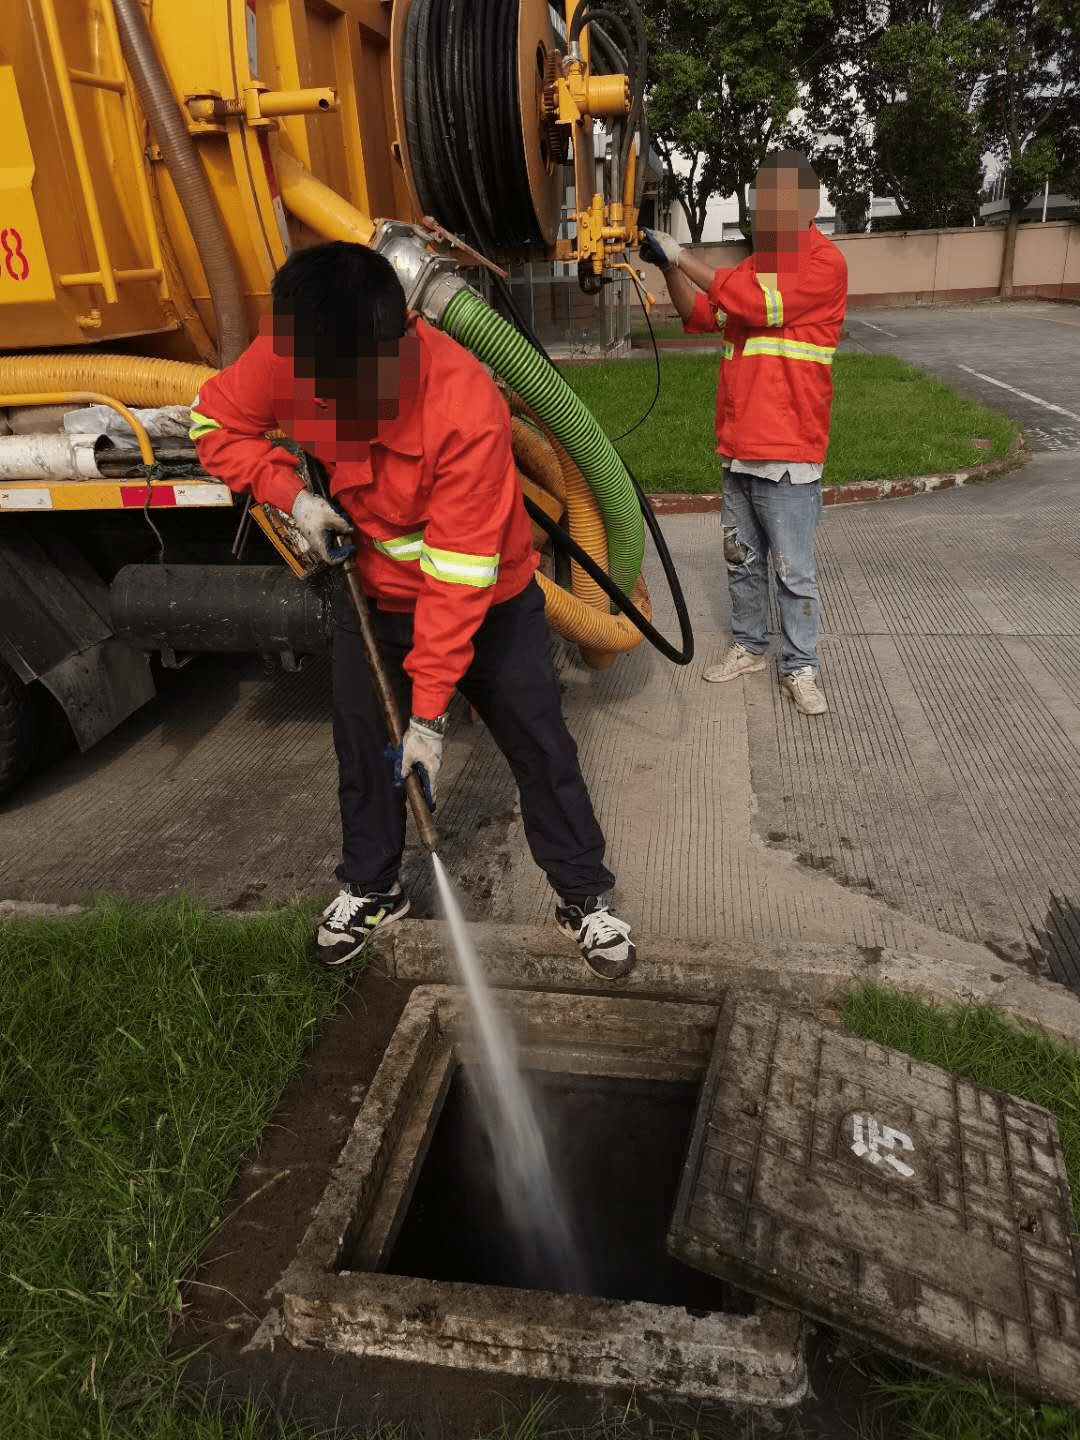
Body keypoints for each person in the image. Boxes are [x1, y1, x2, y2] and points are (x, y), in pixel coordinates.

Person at [189, 241, 635, 979]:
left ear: (391, 347)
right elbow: (212, 424)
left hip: (488, 606)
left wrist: (429, 716)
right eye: (314, 390)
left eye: (342, 392)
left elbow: (457, 582)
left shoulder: (464, 409)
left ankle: (583, 896)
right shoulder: (295, 358)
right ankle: (373, 887)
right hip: (373, 598)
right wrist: (291, 494)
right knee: (363, 749)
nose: (325, 405)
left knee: (540, 746)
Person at [641, 149, 848, 715]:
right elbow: (699, 315)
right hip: (738, 449)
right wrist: (666, 265)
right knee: (742, 561)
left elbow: (752, 306)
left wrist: (684, 254)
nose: (765, 207)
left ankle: (801, 666)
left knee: (793, 571)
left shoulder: (823, 264)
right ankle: (750, 647)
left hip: (789, 451)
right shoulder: (758, 264)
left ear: (807, 203)